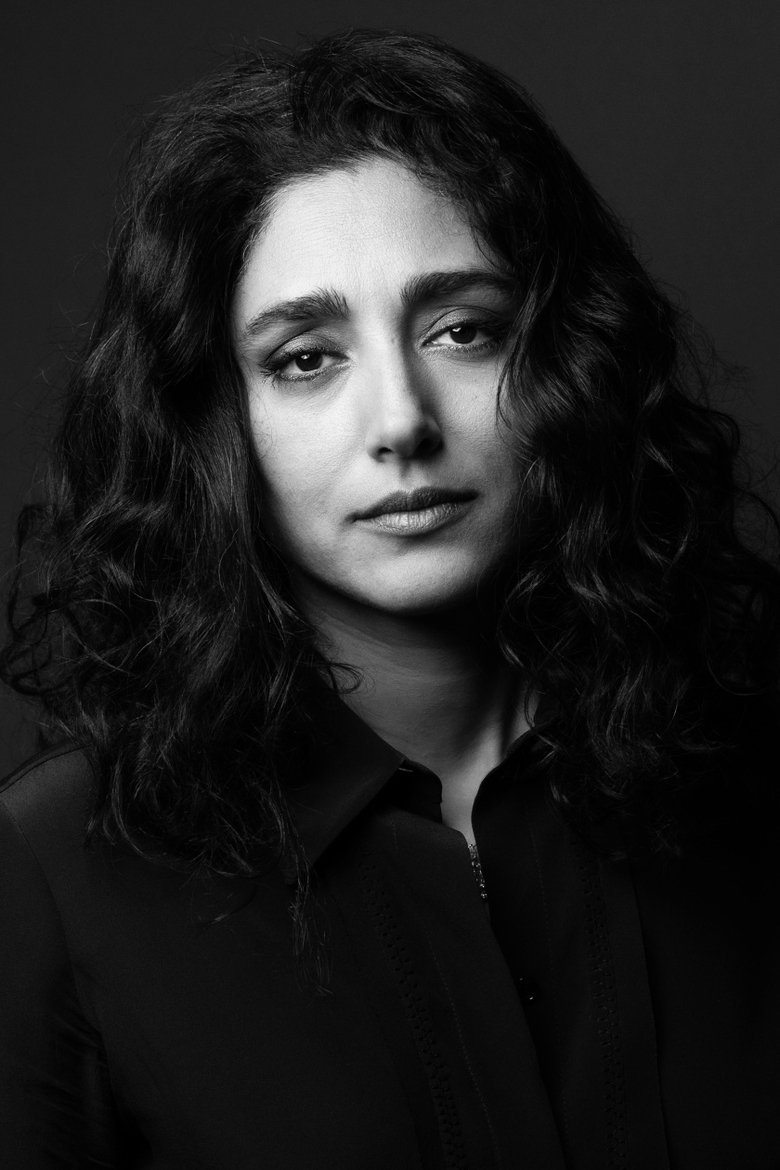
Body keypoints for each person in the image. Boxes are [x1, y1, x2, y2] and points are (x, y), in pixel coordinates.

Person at [0, 26, 778, 1170]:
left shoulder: (751, 760)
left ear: (568, 362)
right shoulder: (54, 871)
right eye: (306, 358)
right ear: (216, 421)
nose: (402, 423)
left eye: (463, 331)